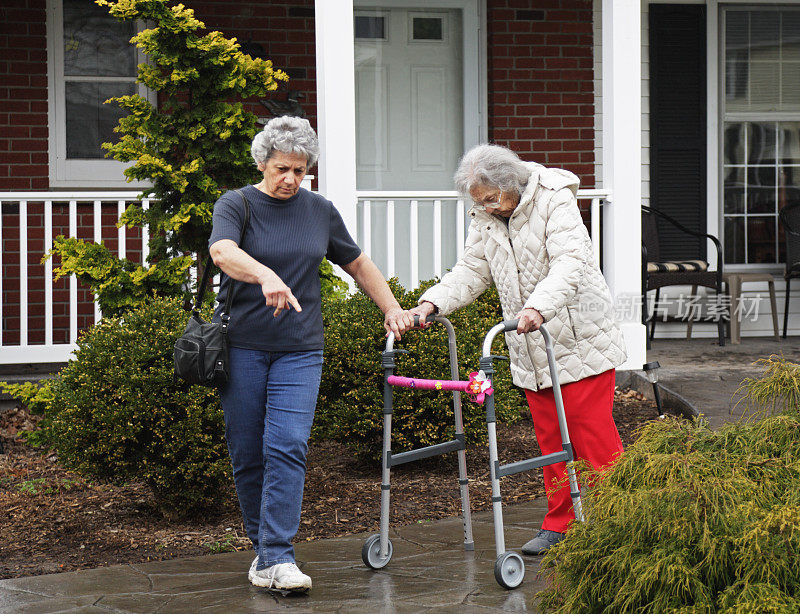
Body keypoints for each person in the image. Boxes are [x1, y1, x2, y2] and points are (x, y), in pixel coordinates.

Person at [209, 116, 414, 591]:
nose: (291, 179)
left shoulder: (319, 210)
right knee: (247, 451)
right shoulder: (236, 204)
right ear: (263, 162)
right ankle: (264, 553)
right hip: (241, 348)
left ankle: (278, 556)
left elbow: (357, 262)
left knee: (288, 444)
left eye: (301, 171)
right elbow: (222, 252)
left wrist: (391, 308)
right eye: (282, 168)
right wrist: (265, 275)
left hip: (300, 349)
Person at [409, 144, 627, 555]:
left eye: (492, 199)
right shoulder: (487, 214)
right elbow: (473, 269)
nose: (487, 208)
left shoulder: (554, 198)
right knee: (550, 441)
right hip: (531, 348)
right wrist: (431, 303)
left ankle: (620, 523)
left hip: (580, 339)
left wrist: (537, 307)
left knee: (591, 436)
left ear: (511, 185)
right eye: (479, 202)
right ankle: (560, 525)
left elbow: (570, 264)